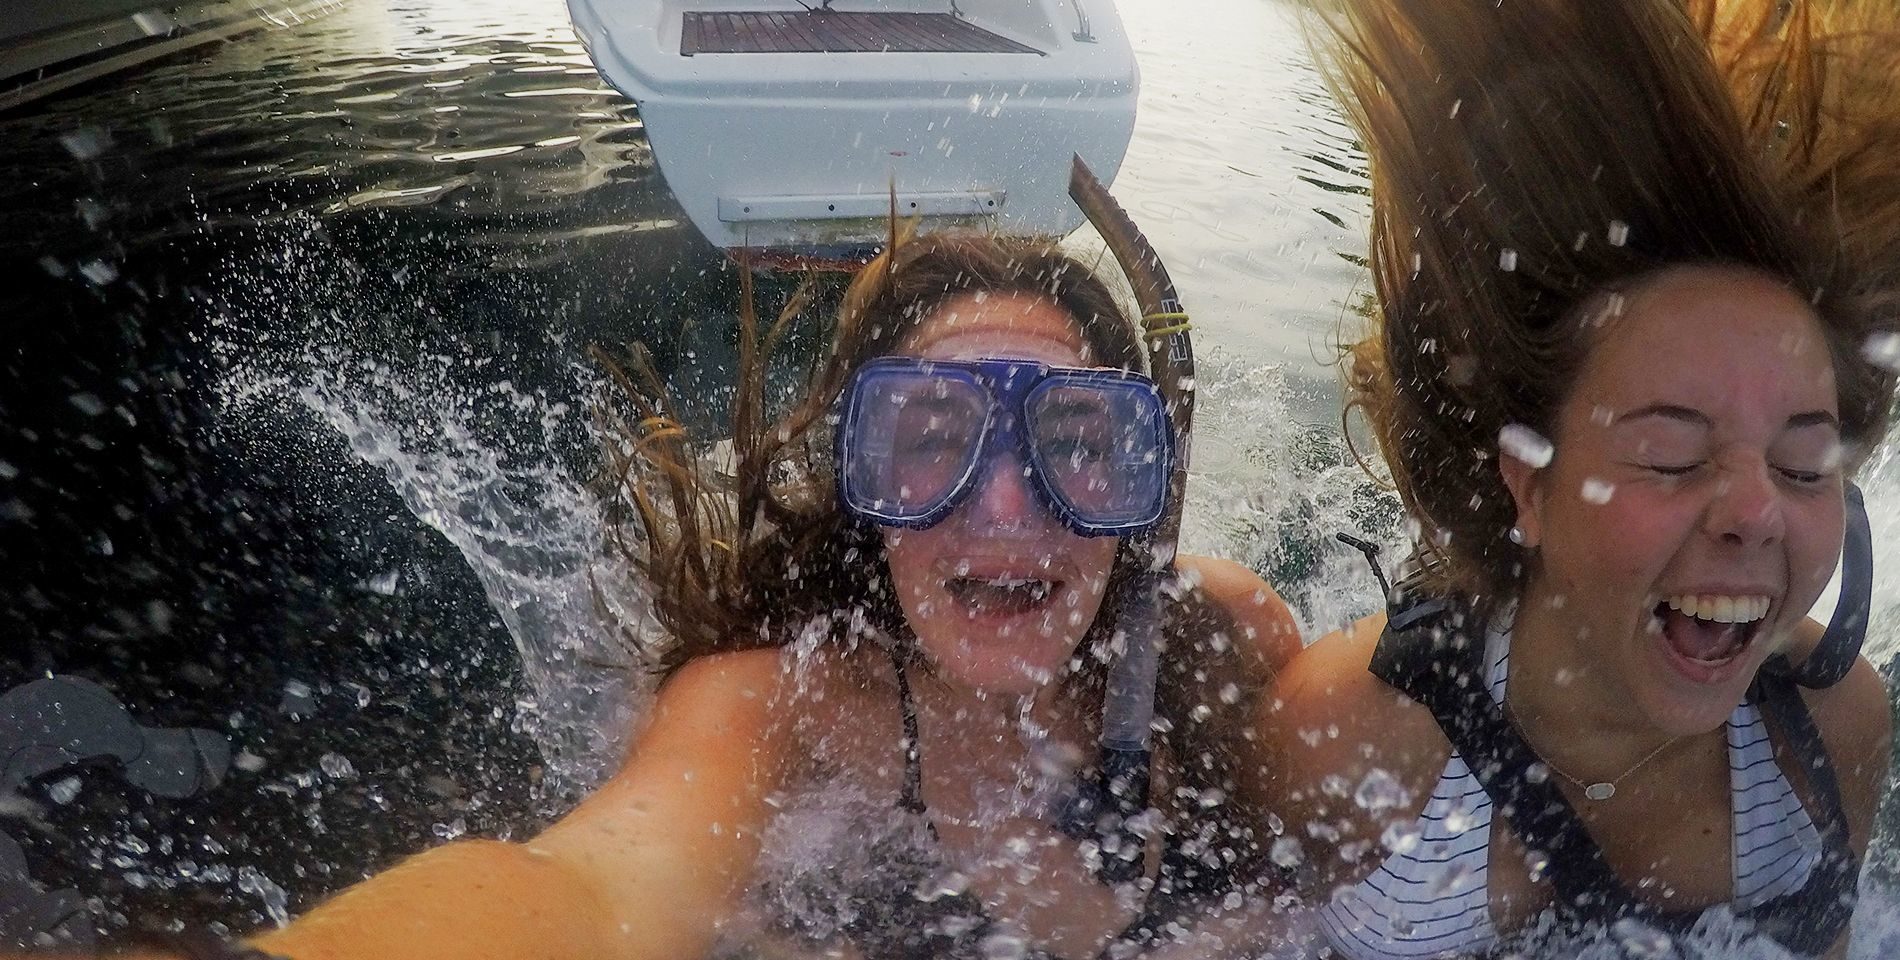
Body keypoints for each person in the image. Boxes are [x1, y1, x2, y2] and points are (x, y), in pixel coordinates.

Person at [178, 217, 1300, 960]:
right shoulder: (773, 706)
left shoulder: (1219, 634)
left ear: (1140, 481)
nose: (1006, 509)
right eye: (928, 441)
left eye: (1077, 442)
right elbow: (586, 889)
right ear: (862, 489)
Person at [1251, 0, 1900, 957]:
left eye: (1803, 465)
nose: (1757, 511)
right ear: (1530, 485)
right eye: (1673, 455)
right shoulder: (1349, 737)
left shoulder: (1833, 729)